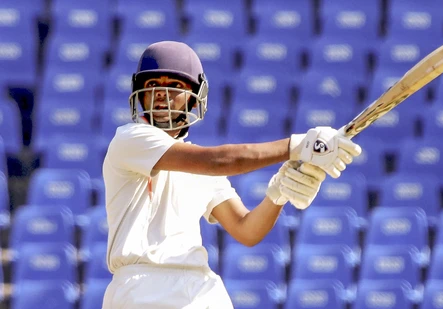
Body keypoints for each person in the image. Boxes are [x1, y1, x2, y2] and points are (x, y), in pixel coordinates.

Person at [101, 41, 362, 308]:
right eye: (153, 84)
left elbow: (247, 230)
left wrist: (278, 193)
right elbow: (219, 161)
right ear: (140, 94)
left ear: (194, 97)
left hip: (200, 290)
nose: (160, 93)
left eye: (176, 87)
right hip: (142, 288)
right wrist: (296, 146)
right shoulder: (130, 140)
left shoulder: (198, 166)